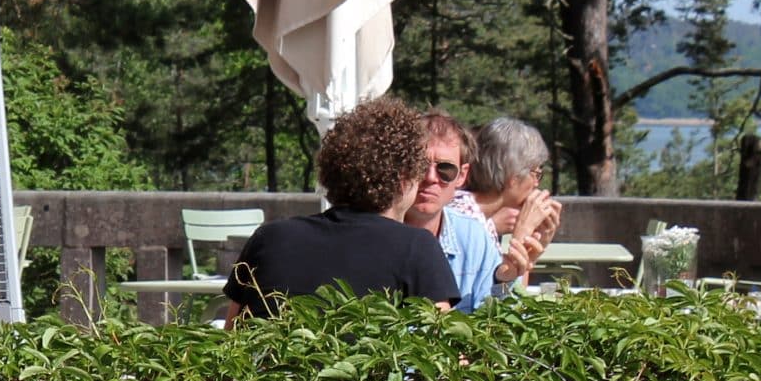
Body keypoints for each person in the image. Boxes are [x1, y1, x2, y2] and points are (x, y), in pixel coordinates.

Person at [222, 96, 459, 318]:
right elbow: (443, 342)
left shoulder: (269, 238)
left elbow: (231, 336)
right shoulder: (417, 247)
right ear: (404, 178)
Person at [406, 111, 498, 307]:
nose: (431, 178)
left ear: (462, 175)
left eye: (445, 169)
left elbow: (501, 306)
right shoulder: (377, 236)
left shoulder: (473, 238)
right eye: (420, 166)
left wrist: (507, 278)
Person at [467, 116, 563, 288]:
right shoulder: (464, 218)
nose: (536, 184)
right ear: (513, 175)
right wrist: (521, 234)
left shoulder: (480, 217)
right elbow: (477, 298)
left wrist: (530, 248)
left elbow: (511, 294)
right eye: (536, 174)